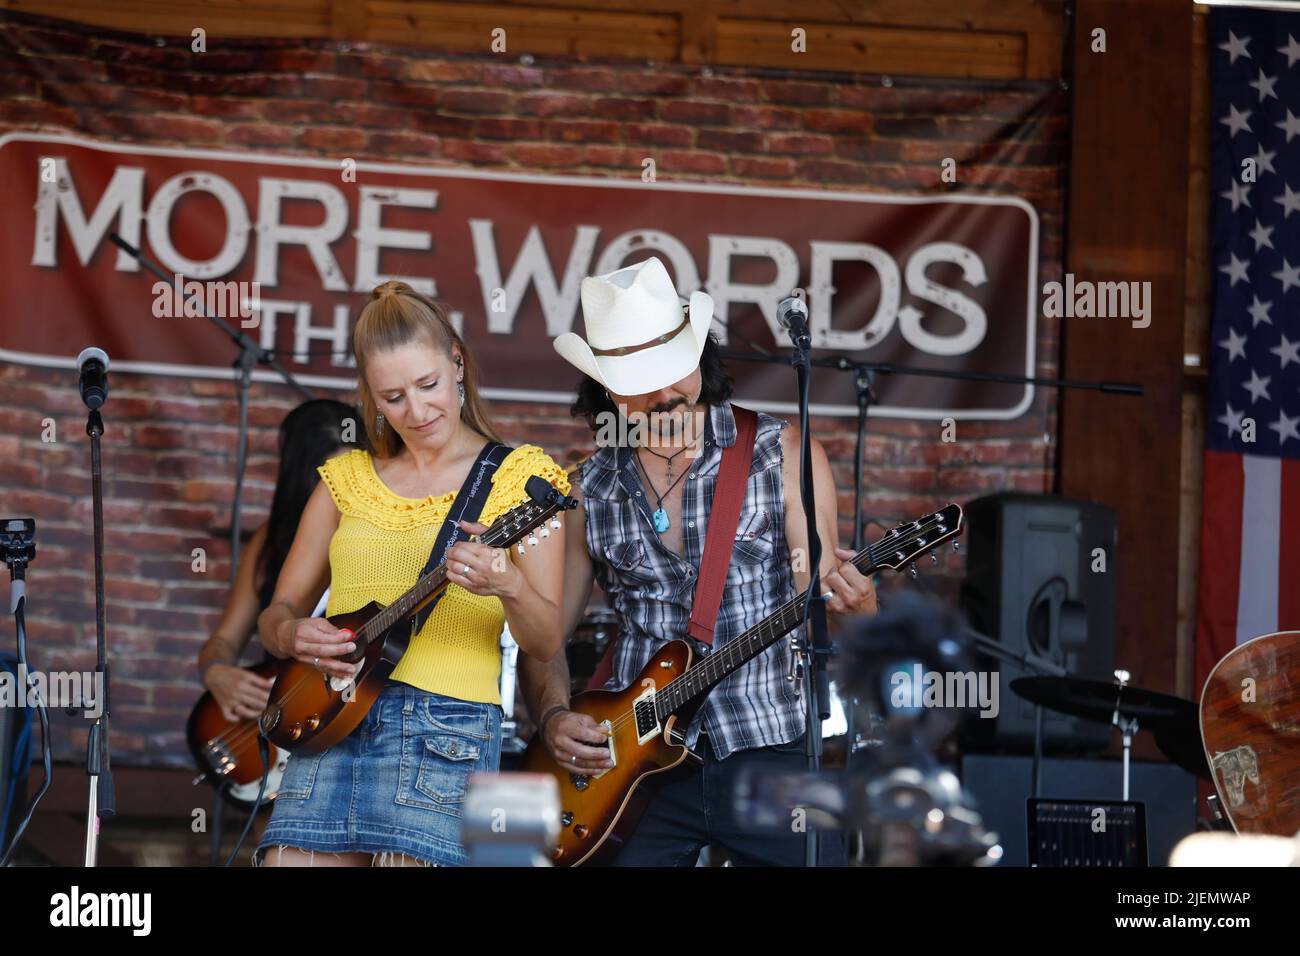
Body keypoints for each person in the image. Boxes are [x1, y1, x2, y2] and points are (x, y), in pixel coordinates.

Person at [519, 256, 877, 866]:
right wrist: (552, 714)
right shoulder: (588, 488)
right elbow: (543, 638)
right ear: (607, 387)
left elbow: (827, 607)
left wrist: (862, 606)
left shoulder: (783, 456)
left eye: (674, 371)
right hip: (636, 766)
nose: (665, 394)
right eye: (642, 379)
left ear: (699, 358)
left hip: (770, 750)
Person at [254, 281, 568, 867]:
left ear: (457, 361)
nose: (417, 412)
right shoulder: (343, 479)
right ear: (370, 397)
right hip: (329, 719)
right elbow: (277, 614)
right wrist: (293, 634)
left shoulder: (523, 478)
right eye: (392, 397)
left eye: (427, 386)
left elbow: (546, 639)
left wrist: (509, 585)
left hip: (443, 730)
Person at [197, 398, 355, 723]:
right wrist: (217, 673)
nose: (344, 494)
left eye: (354, 478)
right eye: (330, 483)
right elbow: (225, 639)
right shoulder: (271, 541)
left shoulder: (387, 542)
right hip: (281, 722)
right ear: (304, 481)